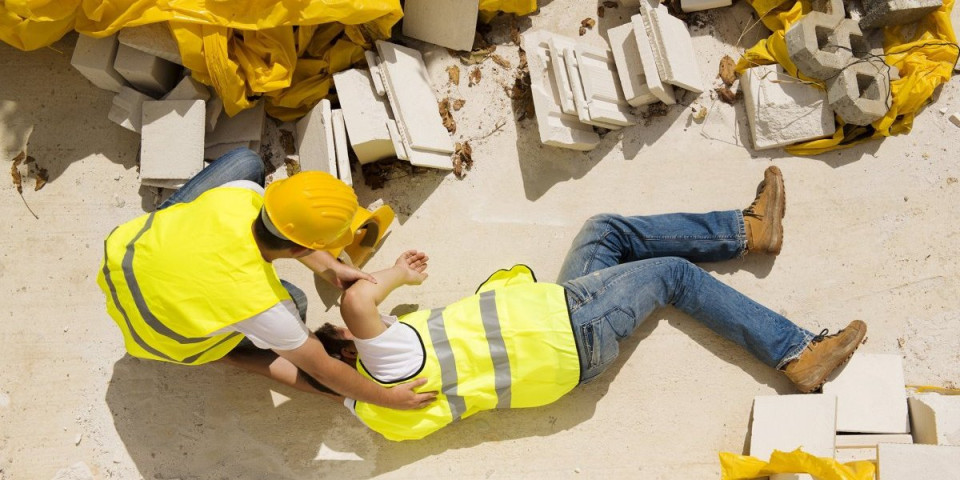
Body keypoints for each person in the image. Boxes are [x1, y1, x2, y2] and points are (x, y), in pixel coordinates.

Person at [319, 166, 867, 441]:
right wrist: (397, 274)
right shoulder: (387, 360)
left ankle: (749, 230)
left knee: (603, 231)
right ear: (350, 353)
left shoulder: (375, 414)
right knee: (674, 276)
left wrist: (280, 359)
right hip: (570, 328)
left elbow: (302, 372)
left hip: (560, 328)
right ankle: (796, 353)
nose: (376, 324)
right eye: (352, 337)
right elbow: (359, 302)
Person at [96, 148, 436, 410]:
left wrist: (330, 267)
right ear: (303, 248)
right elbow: (323, 371)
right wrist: (388, 399)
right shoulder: (266, 306)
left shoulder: (241, 194)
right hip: (160, 338)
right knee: (298, 304)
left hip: (123, 259)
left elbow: (287, 233)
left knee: (246, 162)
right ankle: (220, 352)